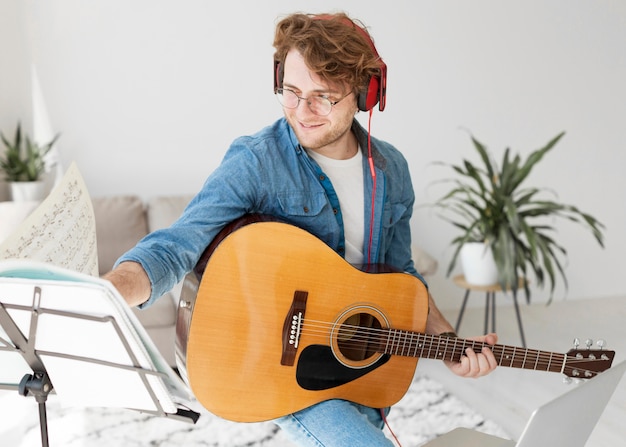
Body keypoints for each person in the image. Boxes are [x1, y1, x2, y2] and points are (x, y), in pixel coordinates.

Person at [103, 12, 498, 446]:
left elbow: (403, 276)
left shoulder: (392, 170)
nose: (302, 111)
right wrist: (108, 292)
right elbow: (175, 247)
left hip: (361, 364)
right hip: (285, 371)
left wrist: (447, 341)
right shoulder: (257, 160)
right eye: (290, 92)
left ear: (365, 93)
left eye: (322, 97)